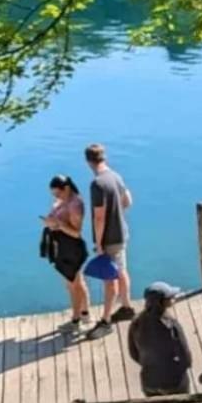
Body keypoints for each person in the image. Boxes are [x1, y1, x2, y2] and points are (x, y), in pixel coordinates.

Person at [127, 282, 193, 403]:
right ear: (161, 302)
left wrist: (149, 364)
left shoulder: (136, 323)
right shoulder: (171, 324)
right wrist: (179, 369)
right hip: (173, 382)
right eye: (170, 297)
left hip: (149, 381)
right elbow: (186, 357)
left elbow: (134, 353)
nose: (173, 298)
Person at [84, 143, 134, 339]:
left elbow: (99, 217)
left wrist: (98, 243)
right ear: (103, 158)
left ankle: (106, 321)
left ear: (88, 161)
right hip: (122, 232)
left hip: (109, 239)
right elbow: (128, 200)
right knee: (121, 271)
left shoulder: (97, 184)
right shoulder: (115, 175)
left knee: (110, 279)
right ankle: (127, 307)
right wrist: (118, 214)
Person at [41, 174, 90, 329]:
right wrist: (51, 218)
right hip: (62, 247)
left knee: (72, 285)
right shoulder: (64, 199)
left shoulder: (75, 205)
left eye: (57, 193)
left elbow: (76, 232)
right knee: (76, 282)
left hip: (72, 249)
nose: (56, 197)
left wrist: (58, 224)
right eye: (54, 194)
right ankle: (85, 314)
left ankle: (76, 320)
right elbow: (58, 215)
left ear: (66, 188)